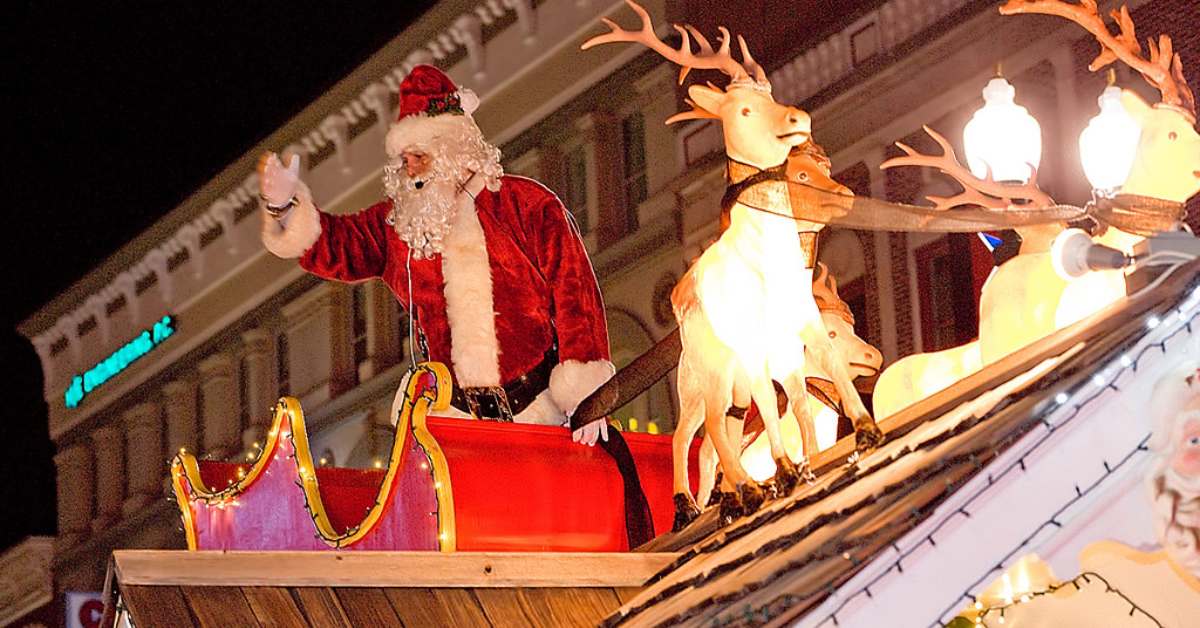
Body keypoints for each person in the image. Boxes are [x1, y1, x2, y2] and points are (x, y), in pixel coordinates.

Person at [258, 64, 613, 445]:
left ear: (451, 148)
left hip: (540, 413)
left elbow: (575, 295)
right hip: (454, 425)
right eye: (404, 160)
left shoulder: (526, 206)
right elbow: (336, 245)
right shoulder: (399, 225)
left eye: (419, 157)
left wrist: (586, 394)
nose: (409, 170)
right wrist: (284, 208)